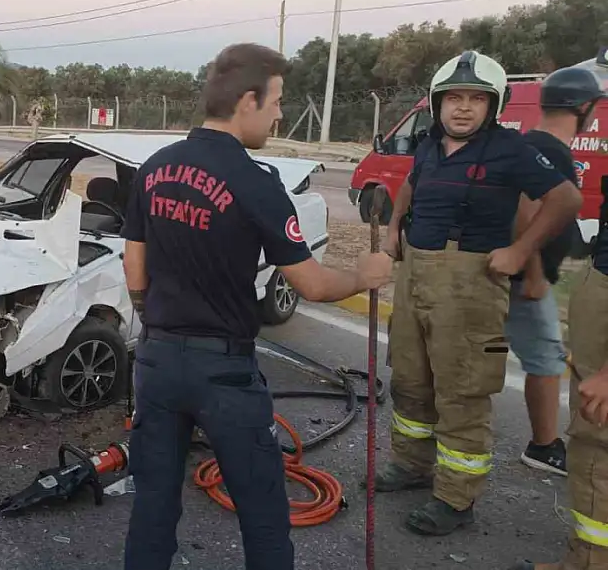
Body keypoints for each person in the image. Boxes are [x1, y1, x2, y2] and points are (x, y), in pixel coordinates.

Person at [119, 42, 394, 570]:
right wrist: (364, 273)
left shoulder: (154, 167)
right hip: (223, 373)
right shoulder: (256, 181)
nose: (280, 113)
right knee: (264, 513)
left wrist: (150, 315)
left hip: (155, 361)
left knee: (153, 505)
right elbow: (310, 285)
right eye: (276, 101)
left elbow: (136, 260)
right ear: (248, 100)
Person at [377, 51, 584, 536]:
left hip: (470, 286)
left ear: (494, 106)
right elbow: (410, 180)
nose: (463, 108)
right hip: (415, 278)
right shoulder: (429, 145)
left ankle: (455, 497)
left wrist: (519, 251)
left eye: (476, 99)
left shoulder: (509, 150)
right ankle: (411, 466)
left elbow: (565, 199)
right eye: (454, 98)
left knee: (463, 394)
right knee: (410, 380)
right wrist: (392, 229)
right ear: (436, 103)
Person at [508, 69, 606, 570]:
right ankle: (544, 446)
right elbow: (527, 210)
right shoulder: (552, 150)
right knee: (546, 359)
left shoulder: (529, 142)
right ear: (586, 110)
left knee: (534, 358)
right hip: (529, 280)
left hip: (528, 276)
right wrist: (532, 271)